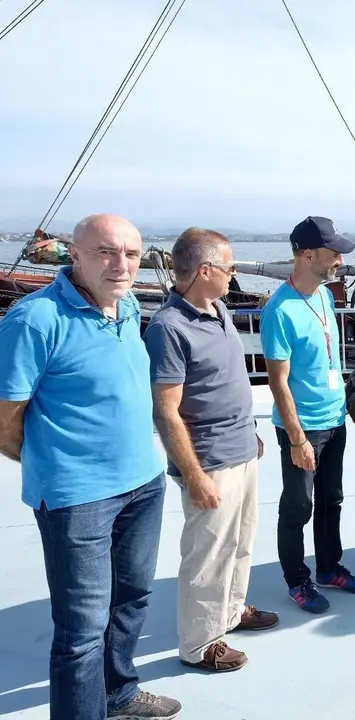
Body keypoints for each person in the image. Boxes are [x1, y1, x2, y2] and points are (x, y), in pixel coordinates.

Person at [0, 214, 182, 719]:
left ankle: (119, 694)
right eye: (105, 251)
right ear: (74, 255)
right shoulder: (33, 320)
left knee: (132, 599)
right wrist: (49, 459)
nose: (121, 264)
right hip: (77, 498)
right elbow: (6, 419)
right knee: (81, 632)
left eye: (130, 253)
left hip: (143, 483)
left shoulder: (124, 307)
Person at [144, 228, 279, 674]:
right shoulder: (169, 328)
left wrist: (249, 433)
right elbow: (166, 411)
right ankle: (201, 643)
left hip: (241, 447)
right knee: (208, 553)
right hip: (210, 461)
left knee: (241, 541)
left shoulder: (218, 308)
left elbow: (225, 384)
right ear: (204, 271)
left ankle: (232, 612)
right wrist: (195, 474)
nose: (233, 274)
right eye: (228, 267)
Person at [261, 216, 355, 613]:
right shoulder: (280, 310)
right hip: (303, 427)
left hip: (334, 418)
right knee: (297, 507)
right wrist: (297, 438)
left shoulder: (323, 295)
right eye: (333, 252)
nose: (340, 259)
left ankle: (328, 567)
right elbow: (278, 382)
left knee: (332, 499)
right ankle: (298, 581)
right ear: (308, 255)